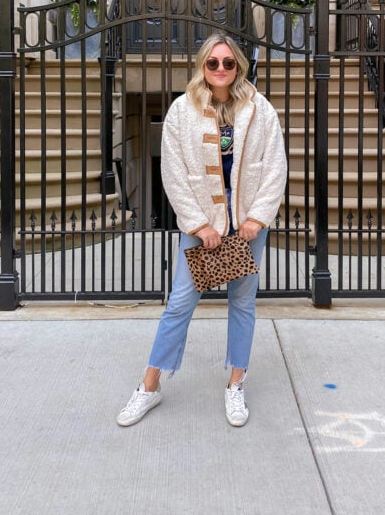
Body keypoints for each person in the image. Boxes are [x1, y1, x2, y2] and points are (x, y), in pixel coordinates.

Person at [116, 32, 287, 428]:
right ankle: (149, 385)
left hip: (247, 221)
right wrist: (198, 224)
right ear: (202, 67)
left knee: (242, 303)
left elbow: (275, 166)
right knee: (180, 302)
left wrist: (256, 218)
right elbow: (172, 172)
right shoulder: (182, 110)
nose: (221, 69)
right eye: (213, 63)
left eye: (229, 63)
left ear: (239, 66)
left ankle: (236, 384)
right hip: (201, 219)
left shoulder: (261, 110)